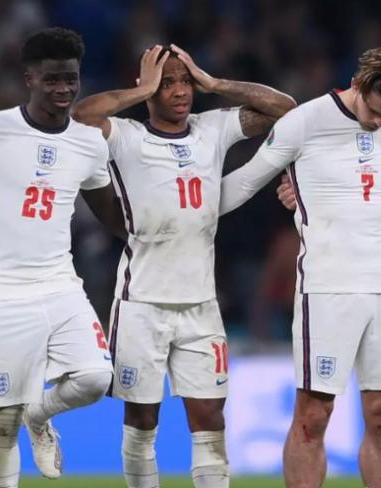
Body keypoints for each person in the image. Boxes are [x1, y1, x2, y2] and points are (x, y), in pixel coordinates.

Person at [72, 44, 296, 488]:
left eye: (185, 81)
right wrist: (141, 90)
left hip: (200, 306)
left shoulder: (212, 127)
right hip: (141, 303)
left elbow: (284, 110)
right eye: (168, 82)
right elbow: (80, 117)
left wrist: (216, 83)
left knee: (210, 415)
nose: (179, 91)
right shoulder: (126, 135)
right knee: (141, 419)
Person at [219, 45, 381, 487]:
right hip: (328, 287)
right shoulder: (306, 121)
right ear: (357, 84)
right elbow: (248, 180)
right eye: (374, 111)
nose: (379, 122)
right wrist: (180, 209)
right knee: (313, 416)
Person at [0, 27, 123, 486]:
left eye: (71, 80)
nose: (64, 89)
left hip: (59, 282)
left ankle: (41, 414)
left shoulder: (89, 143)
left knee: (96, 377)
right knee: (2, 419)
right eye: (52, 80)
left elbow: (113, 215)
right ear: (29, 78)